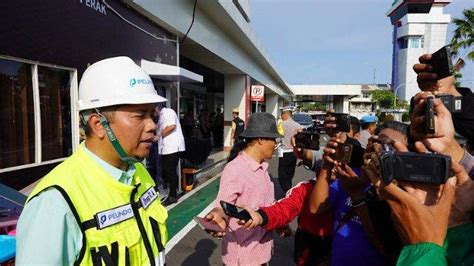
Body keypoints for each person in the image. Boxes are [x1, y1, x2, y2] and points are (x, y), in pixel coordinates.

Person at [16, 57, 169, 265]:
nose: (152, 125)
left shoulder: (139, 173)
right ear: (98, 124)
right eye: (139, 116)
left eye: (152, 115)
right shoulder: (55, 203)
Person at [206, 112, 282, 265]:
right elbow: (222, 205)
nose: (275, 144)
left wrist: (277, 223)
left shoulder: (263, 168)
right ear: (260, 139)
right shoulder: (235, 169)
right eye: (273, 139)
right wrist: (218, 216)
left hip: (262, 254)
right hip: (244, 258)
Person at [157, 104, 185, 206]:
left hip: (173, 146)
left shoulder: (168, 112)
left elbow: (172, 126)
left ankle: (173, 195)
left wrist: (159, 136)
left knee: (170, 170)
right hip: (165, 147)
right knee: (166, 170)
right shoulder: (159, 116)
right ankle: (173, 189)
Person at [278, 106, 303, 194]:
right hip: (294, 153)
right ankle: (288, 191)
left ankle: (288, 193)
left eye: (282, 115)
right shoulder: (298, 126)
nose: (281, 117)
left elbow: (278, 138)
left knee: (282, 176)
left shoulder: (282, 124)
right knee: (290, 174)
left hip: (285, 152)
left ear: (286, 115)